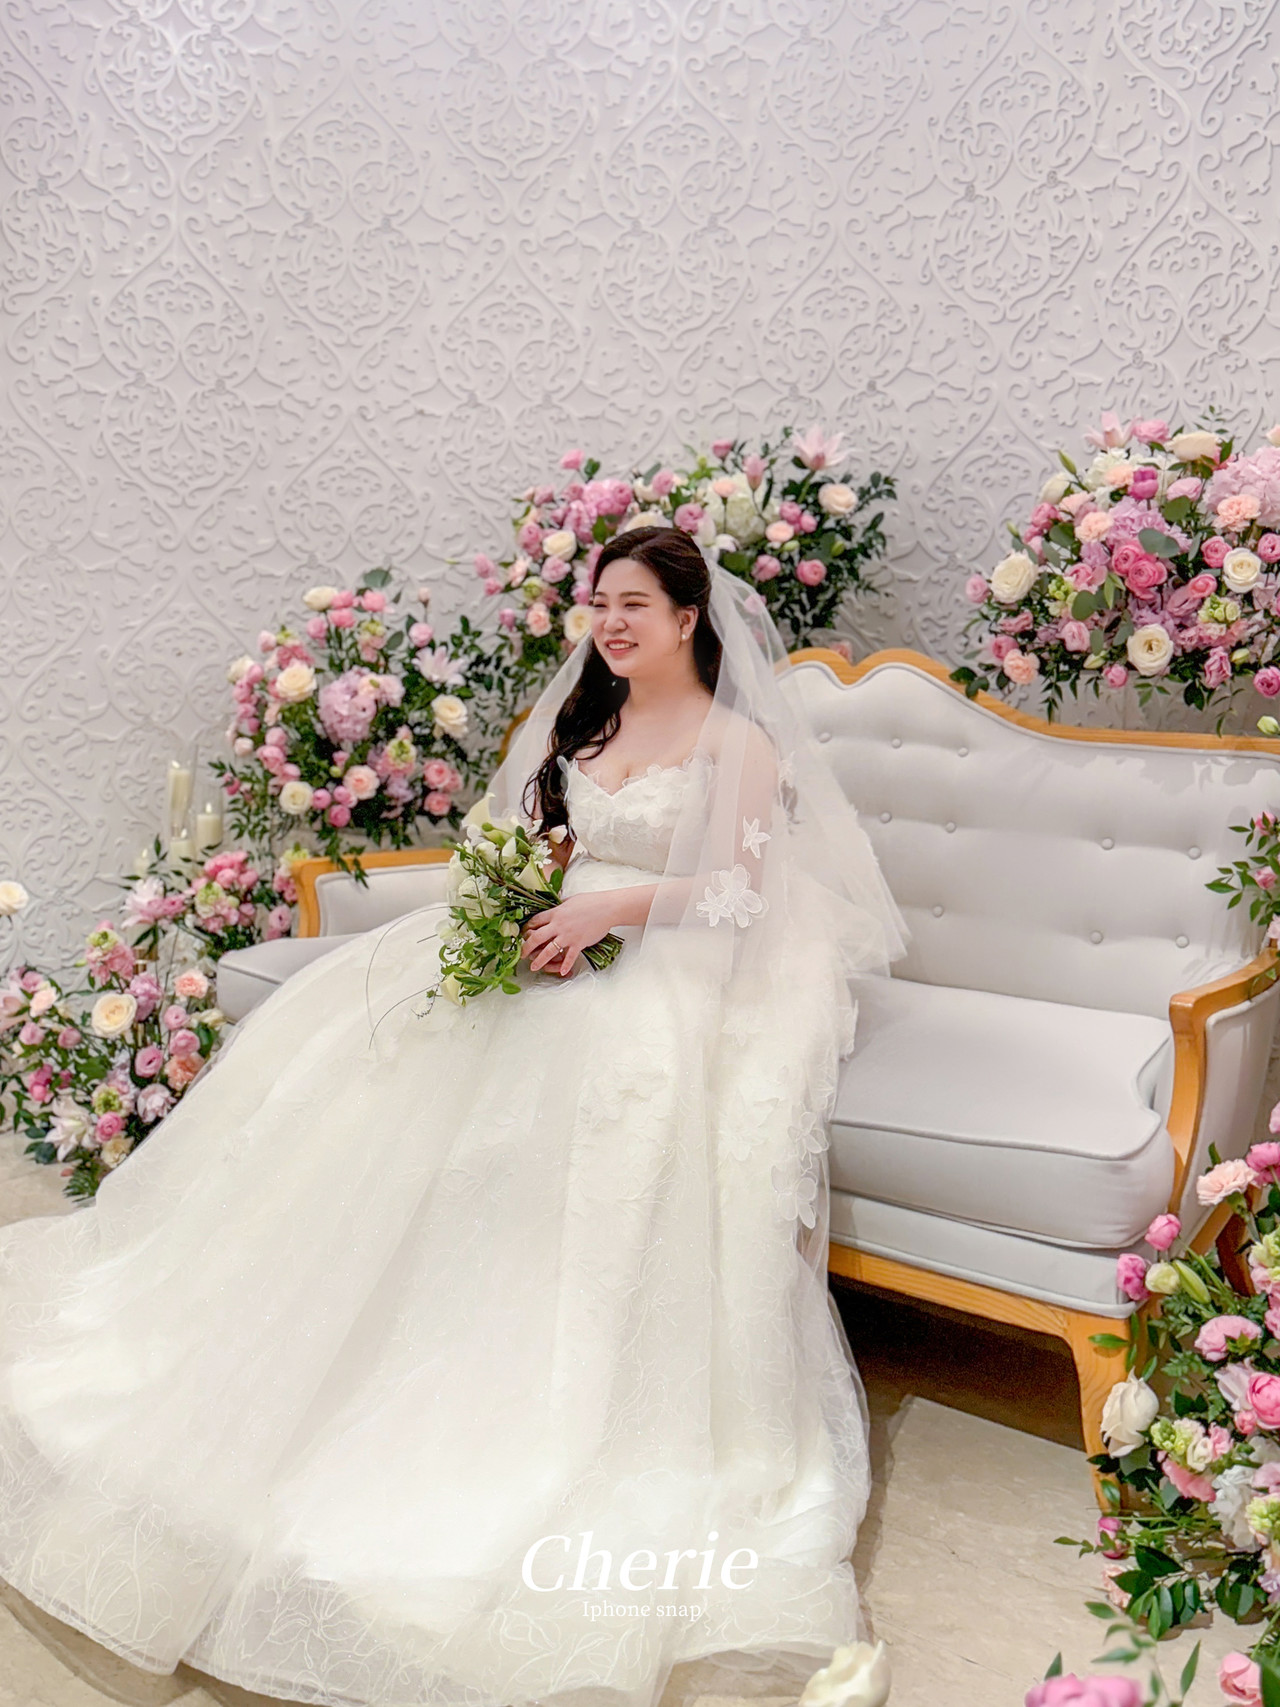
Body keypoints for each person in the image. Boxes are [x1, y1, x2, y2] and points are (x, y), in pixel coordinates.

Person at [0, 525, 909, 1707]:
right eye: (599, 603)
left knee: (587, 1056)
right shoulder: (591, 722)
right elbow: (535, 839)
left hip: (663, 960)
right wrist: (519, 906)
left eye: (633, 604)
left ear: (689, 618)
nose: (610, 623)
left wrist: (607, 911)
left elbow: (736, 894)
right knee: (382, 1043)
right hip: (549, 939)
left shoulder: (733, 741)